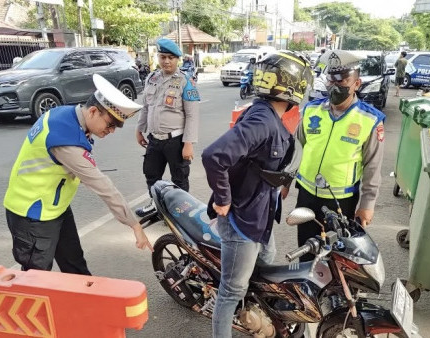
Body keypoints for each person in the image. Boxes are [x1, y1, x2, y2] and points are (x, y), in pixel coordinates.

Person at [202, 50, 313, 337]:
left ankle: (254, 310)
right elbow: (214, 156)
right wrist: (223, 198)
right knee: (231, 289)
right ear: (291, 85)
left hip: (260, 212)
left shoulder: (268, 114)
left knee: (265, 261)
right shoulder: (262, 119)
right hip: (243, 218)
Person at [4, 74, 153, 274]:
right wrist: (134, 225)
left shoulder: (64, 114)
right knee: (36, 277)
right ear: (93, 111)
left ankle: (83, 304)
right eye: (110, 124)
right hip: (32, 213)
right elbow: (103, 187)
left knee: (75, 266)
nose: (111, 131)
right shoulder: (66, 140)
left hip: (55, 207)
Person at [286, 49, 385, 262]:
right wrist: (285, 180)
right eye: (330, 80)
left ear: (356, 84)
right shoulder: (312, 110)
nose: (334, 86)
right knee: (306, 248)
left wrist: (367, 204)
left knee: (336, 253)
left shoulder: (369, 119)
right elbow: (296, 148)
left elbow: (373, 167)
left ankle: (333, 294)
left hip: (340, 201)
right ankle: (308, 290)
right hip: (306, 194)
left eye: (341, 81)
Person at [135, 38, 200, 217]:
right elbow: (146, 107)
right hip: (154, 139)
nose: (166, 61)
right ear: (158, 57)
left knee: (179, 178)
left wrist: (188, 143)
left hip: (176, 140)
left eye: (171, 57)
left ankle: (181, 212)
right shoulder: (152, 78)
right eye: (163, 57)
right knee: (151, 175)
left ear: (177, 59)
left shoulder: (186, 82)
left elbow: (192, 116)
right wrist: (139, 130)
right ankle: (156, 206)